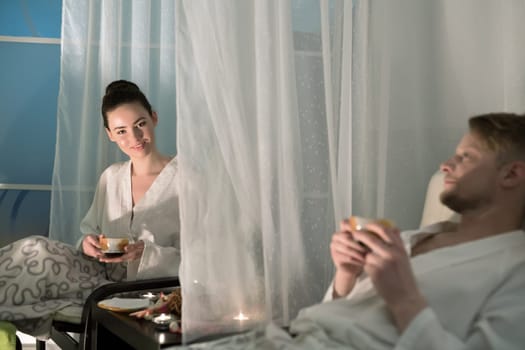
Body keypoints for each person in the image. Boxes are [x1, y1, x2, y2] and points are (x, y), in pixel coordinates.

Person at [173, 112, 525, 349]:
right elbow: (340, 314)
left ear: (512, 174)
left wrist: (405, 298)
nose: (446, 164)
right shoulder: (414, 238)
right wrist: (346, 276)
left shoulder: (514, 268)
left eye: (466, 157)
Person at [0, 80, 180, 338]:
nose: (134, 138)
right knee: (35, 249)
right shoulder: (111, 177)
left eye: (140, 124)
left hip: (151, 288)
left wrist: (146, 252)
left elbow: (204, 255)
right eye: (121, 131)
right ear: (109, 134)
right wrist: (87, 243)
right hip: (98, 280)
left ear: (154, 117)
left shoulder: (188, 178)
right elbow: (89, 232)